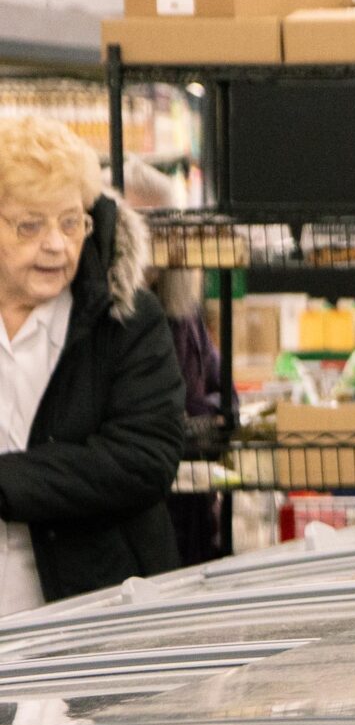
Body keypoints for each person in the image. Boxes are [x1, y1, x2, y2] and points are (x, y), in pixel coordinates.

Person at [0, 116, 184, 614]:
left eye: (70, 221)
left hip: (97, 613)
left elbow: (144, 457)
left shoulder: (125, 320)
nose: (57, 245)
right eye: (30, 225)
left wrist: (8, 482)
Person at [121, 157, 225, 566]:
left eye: (163, 227)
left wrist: (206, 414)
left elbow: (222, 391)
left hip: (191, 509)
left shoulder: (183, 314)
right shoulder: (106, 319)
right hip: (142, 514)